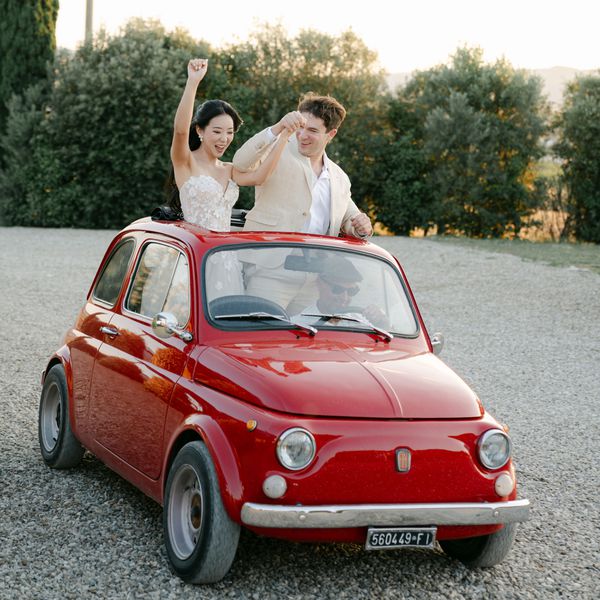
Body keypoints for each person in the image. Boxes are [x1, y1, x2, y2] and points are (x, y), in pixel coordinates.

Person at [169, 58, 297, 300]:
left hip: (226, 262)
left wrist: (283, 134)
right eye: (217, 131)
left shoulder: (229, 169)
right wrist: (193, 82)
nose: (224, 139)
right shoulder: (185, 162)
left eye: (229, 133)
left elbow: (261, 176)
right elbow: (180, 131)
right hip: (194, 258)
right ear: (200, 130)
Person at [232, 93, 373, 308]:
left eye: (313, 131)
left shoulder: (339, 177)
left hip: (314, 280)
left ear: (331, 134)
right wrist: (277, 128)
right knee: (264, 338)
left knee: (301, 341)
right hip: (270, 272)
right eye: (302, 127)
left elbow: (349, 218)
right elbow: (240, 163)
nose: (302, 135)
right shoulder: (277, 149)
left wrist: (361, 226)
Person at [293, 255, 389, 330]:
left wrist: (380, 321)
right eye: (337, 289)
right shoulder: (298, 324)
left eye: (352, 291)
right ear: (320, 284)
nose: (345, 298)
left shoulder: (361, 320)